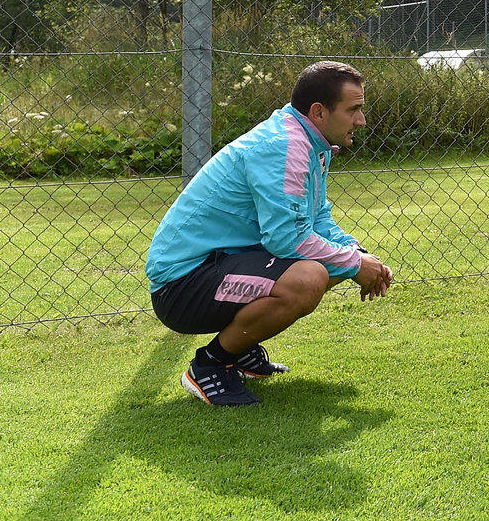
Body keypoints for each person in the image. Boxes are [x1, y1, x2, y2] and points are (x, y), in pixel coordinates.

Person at [146, 60, 393, 405]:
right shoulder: (284, 146)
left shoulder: (311, 143)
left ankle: (239, 350)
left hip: (221, 265)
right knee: (308, 277)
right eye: (353, 109)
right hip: (182, 285)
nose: (361, 120)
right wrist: (354, 263)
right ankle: (211, 365)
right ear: (319, 112)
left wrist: (357, 253)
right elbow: (287, 240)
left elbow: (317, 219)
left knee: (337, 260)